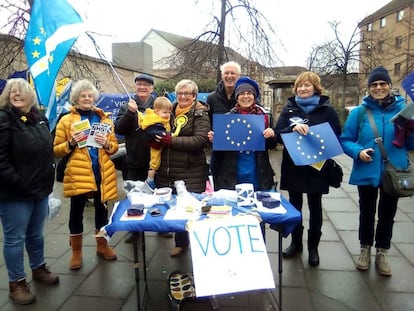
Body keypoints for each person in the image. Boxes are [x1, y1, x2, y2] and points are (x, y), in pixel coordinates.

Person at [340, 66, 414, 276]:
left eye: (383, 84)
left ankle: (382, 252)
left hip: (394, 171)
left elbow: (411, 143)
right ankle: (365, 250)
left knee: (387, 215)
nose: (379, 87)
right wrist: (358, 152)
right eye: (374, 84)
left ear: (390, 86)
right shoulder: (360, 112)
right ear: (369, 88)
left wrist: (411, 128)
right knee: (366, 213)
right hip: (367, 169)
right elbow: (345, 140)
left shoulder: (404, 110)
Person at [0, 78, 59, 305]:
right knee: (15, 239)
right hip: (15, 194)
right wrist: (19, 182)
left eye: (21, 91)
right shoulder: (4, 119)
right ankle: (16, 282)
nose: (16, 94)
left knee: (36, 235)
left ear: (30, 96)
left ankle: (38, 268)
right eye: (12, 91)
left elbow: (47, 150)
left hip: (40, 190)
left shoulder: (39, 118)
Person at [274, 71, 341, 266]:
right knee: (295, 205)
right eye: (300, 85)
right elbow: (278, 135)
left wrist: (316, 135)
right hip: (294, 165)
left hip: (317, 167)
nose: (303, 89)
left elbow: (336, 136)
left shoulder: (326, 110)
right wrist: (291, 129)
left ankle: (313, 248)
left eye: (307, 85)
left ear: (315, 88)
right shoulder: (289, 109)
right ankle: (296, 243)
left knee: (315, 206)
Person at [54, 79, 119, 270]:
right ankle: (76, 252)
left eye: (90, 96)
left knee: (102, 211)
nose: (87, 99)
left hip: (102, 172)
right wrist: (71, 143)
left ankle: (102, 245)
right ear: (76, 98)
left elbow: (114, 148)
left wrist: (106, 143)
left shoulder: (105, 119)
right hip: (78, 173)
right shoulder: (66, 120)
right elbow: (57, 150)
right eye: (83, 96)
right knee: (76, 212)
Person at [208, 76, 277, 239]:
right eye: (242, 93)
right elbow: (219, 150)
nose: (246, 96)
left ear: (254, 96)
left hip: (257, 171)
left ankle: (257, 245)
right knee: (233, 213)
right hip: (233, 172)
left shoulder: (265, 117)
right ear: (237, 97)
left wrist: (272, 135)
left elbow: (272, 146)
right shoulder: (227, 117)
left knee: (256, 214)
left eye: (249, 93)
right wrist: (214, 138)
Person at [155, 79, 211, 256]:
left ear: (194, 96)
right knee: (176, 209)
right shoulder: (168, 111)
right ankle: (181, 243)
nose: (183, 96)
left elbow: (200, 140)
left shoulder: (200, 114)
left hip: (191, 170)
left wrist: (170, 140)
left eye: (188, 94)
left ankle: (198, 244)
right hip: (168, 168)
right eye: (180, 93)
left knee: (192, 209)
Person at [114, 74, 167, 242]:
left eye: (146, 85)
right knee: (135, 196)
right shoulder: (127, 106)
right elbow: (119, 129)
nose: (142, 87)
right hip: (135, 159)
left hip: (156, 160)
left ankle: (161, 224)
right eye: (139, 85)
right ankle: (135, 229)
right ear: (135, 87)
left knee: (159, 195)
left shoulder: (158, 104)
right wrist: (130, 113)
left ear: (152, 88)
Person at [207, 61, 241, 187]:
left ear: (238, 76)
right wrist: (209, 134)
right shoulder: (212, 98)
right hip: (219, 153)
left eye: (233, 73)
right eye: (226, 73)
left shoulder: (246, 97)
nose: (229, 76)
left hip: (239, 152)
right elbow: (208, 123)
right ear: (222, 76)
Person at [140, 96, 173, 190]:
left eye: (169, 113)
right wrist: (168, 134)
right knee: (155, 162)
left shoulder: (161, 120)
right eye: (165, 112)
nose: (167, 115)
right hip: (156, 146)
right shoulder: (154, 121)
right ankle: (150, 180)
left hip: (161, 145)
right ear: (156, 111)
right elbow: (155, 132)